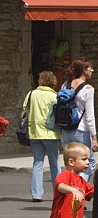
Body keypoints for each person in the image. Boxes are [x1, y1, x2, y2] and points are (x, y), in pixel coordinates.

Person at [23, 71, 60, 202]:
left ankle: (36, 194)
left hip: (34, 132)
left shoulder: (31, 94)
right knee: (54, 163)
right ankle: (58, 193)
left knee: (37, 162)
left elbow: (25, 110)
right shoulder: (54, 96)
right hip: (51, 133)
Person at [59, 59, 98, 182]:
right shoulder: (88, 89)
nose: (92, 70)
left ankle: (70, 186)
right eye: (89, 68)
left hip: (66, 129)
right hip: (81, 130)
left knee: (71, 164)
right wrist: (94, 137)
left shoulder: (65, 85)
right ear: (83, 70)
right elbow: (90, 115)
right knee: (89, 162)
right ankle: (78, 187)